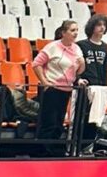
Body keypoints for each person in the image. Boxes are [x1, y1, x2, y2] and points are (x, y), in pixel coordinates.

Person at [32, 19, 86, 153]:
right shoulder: (53, 46)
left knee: (58, 123)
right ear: (63, 32)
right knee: (49, 123)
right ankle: (42, 152)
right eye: (72, 30)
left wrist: (82, 63)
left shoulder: (77, 48)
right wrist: (44, 81)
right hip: (51, 89)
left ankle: (51, 151)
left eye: (77, 30)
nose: (75, 33)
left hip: (66, 90)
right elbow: (36, 64)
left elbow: (79, 71)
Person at [77, 13, 107, 143]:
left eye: (104, 25)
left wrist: (105, 86)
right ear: (92, 27)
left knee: (95, 118)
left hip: (99, 87)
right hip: (85, 86)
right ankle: (78, 144)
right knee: (82, 116)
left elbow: (105, 68)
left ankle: (89, 145)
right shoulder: (82, 44)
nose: (102, 28)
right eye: (99, 25)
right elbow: (76, 65)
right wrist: (78, 78)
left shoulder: (105, 47)